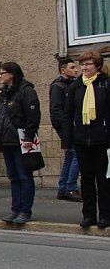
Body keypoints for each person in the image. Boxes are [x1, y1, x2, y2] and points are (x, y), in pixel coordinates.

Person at [62, 48, 110, 229]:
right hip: (82, 139)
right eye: (82, 64)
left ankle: (105, 215)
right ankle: (88, 215)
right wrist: (67, 140)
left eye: (88, 64)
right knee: (87, 179)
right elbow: (67, 114)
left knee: (104, 180)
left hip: (102, 139)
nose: (84, 67)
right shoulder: (76, 86)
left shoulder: (105, 84)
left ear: (97, 66)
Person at [0, 62, 41, 224]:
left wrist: (29, 138)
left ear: (12, 74)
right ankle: (15, 209)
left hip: (20, 140)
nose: (0, 76)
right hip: (7, 140)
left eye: (2, 73)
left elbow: (33, 116)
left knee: (24, 176)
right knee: (13, 177)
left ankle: (25, 210)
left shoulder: (26, 91)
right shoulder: (3, 93)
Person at [50, 58, 81, 202]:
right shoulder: (58, 86)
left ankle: (63, 188)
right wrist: (64, 128)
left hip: (71, 126)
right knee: (76, 155)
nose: (76, 70)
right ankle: (71, 187)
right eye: (72, 67)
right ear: (63, 70)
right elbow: (56, 110)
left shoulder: (72, 85)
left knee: (70, 156)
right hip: (67, 127)